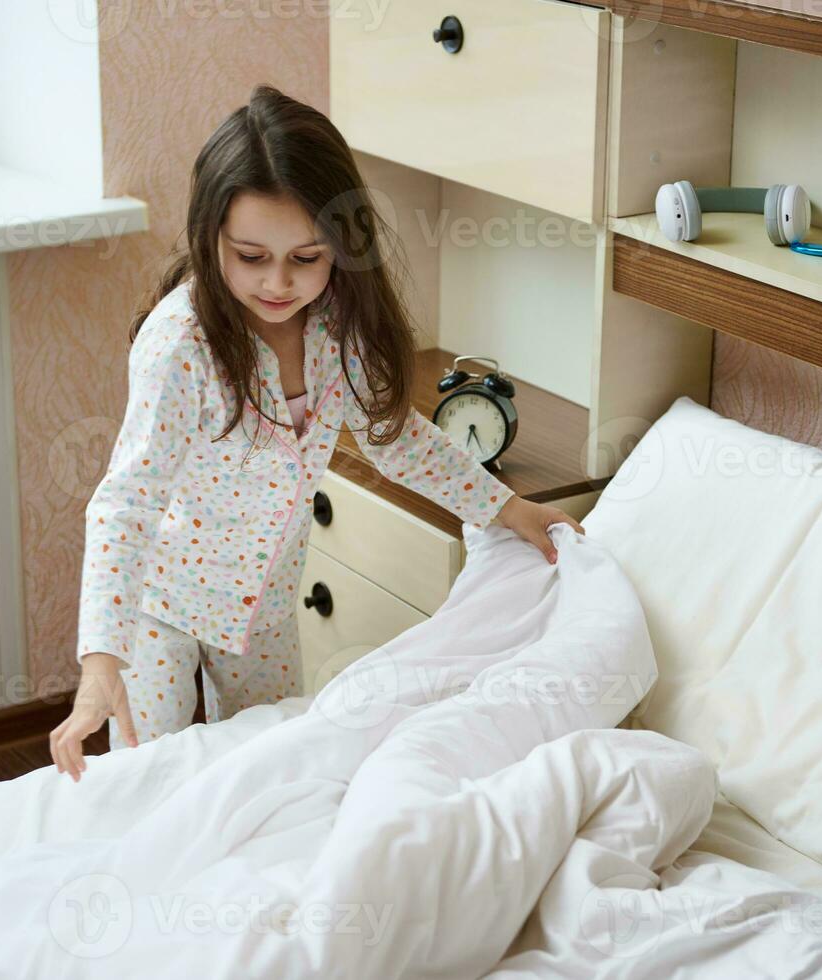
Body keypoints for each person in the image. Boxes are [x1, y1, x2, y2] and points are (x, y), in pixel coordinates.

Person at [50, 85, 583, 782]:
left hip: (266, 607)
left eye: (306, 258)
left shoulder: (338, 326)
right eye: (250, 256)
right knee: (150, 778)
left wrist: (507, 511)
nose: (278, 283)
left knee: (270, 771)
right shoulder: (180, 346)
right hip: (163, 605)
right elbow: (128, 502)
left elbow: (394, 438)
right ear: (211, 236)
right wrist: (100, 664)